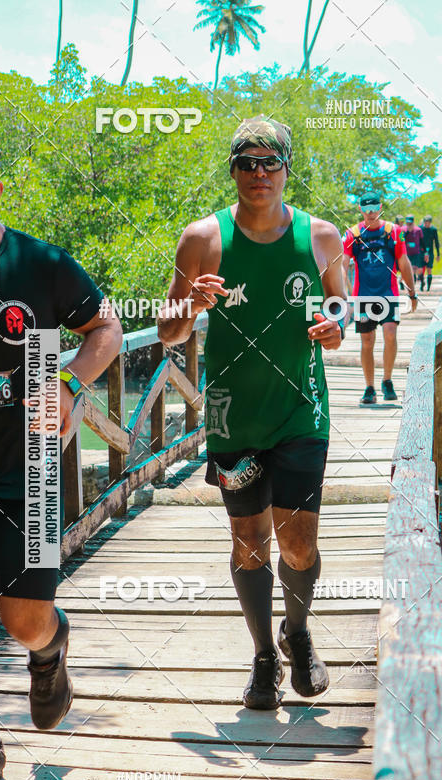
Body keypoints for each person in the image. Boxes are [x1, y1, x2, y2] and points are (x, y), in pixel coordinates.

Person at [158, 115, 346, 710]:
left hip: (300, 409)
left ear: (288, 169)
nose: (259, 174)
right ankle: (264, 654)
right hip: (231, 414)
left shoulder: (320, 237)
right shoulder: (202, 239)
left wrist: (334, 326)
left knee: (297, 542)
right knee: (248, 540)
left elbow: (340, 308)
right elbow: (168, 332)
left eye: (270, 163)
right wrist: (192, 303)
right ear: (234, 170)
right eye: (247, 163)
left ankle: (299, 630)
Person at [0, 134, 122, 780]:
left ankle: (50, 650)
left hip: (31, 465)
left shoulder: (42, 264)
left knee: (21, 618)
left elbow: (104, 329)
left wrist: (73, 384)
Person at [341, 192, 417, 405]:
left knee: (390, 333)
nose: (371, 212)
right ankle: (369, 387)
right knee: (367, 340)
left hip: (388, 294)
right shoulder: (352, 234)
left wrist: (411, 292)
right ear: (360, 209)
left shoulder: (394, 232)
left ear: (380, 207)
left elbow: (403, 261)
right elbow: (342, 264)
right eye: (366, 208)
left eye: (374, 207)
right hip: (363, 296)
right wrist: (340, 295)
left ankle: (387, 380)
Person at [403, 214, 427, 289]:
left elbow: (422, 242)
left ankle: (422, 281)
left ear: (413, 222)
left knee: (418, 270)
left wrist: (426, 252)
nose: (409, 225)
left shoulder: (418, 230)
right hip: (406, 253)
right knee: (411, 269)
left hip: (416, 253)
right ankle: (412, 287)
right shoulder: (402, 230)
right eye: (408, 223)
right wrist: (406, 233)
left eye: (410, 223)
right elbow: (400, 240)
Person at [421, 214, 440, 291]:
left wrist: (438, 254)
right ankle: (422, 284)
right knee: (421, 269)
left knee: (429, 269)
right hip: (421, 251)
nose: (426, 223)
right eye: (425, 222)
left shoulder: (433, 230)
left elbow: (436, 242)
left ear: (430, 222)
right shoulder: (420, 229)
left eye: (428, 222)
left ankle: (428, 287)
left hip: (430, 252)